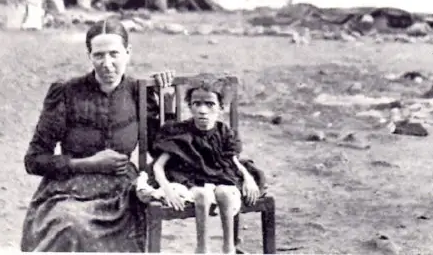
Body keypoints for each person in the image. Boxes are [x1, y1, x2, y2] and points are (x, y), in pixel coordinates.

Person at [20, 18, 176, 252]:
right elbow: (34, 160)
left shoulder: (138, 93)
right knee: (70, 224)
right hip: (67, 190)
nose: (107, 63)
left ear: (128, 52)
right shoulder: (66, 93)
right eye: (99, 55)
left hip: (120, 193)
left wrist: (167, 101)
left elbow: (162, 149)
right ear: (89, 56)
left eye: (114, 54)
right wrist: (86, 163)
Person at [152, 79, 265, 254]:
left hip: (218, 176)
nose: (202, 110)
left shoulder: (223, 132)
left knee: (225, 192)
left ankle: (229, 248)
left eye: (210, 104)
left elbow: (233, 160)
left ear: (221, 108)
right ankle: (202, 249)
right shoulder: (180, 132)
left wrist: (248, 178)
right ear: (190, 106)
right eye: (197, 104)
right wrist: (167, 189)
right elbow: (158, 167)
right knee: (203, 194)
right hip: (188, 179)